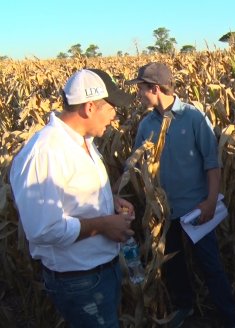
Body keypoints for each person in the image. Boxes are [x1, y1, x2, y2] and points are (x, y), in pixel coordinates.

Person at [9, 69, 135, 327]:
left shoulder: (83, 141)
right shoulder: (45, 153)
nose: (115, 117)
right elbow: (44, 230)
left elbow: (73, 192)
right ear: (90, 107)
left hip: (101, 270)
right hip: (79, 281)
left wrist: (110, 200)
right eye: (111, 109)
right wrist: (103, 224)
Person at [127, 62, 235, 328]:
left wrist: (211, 201)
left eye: (141, 88)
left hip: (196, 208)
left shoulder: (193, 117)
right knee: (172, 264)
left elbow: (212, 162)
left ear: (155, 88)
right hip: (165, 212)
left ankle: (229, 316)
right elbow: (136, 165)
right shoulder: (147, 124)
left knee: (210, 264)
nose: (139, 94)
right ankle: (184, 305)